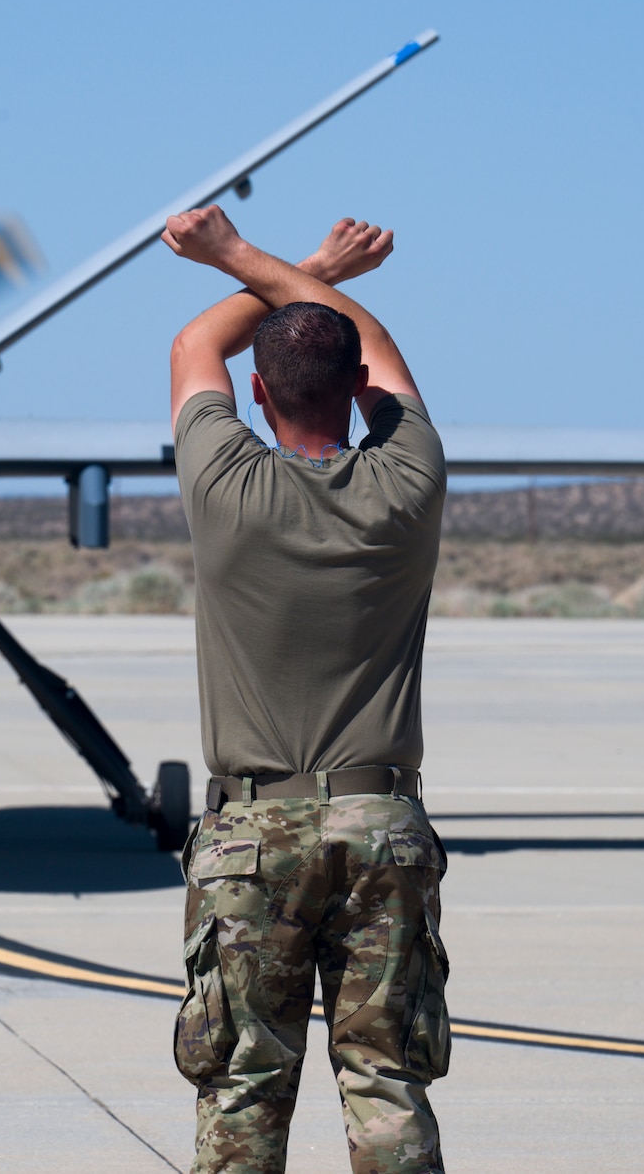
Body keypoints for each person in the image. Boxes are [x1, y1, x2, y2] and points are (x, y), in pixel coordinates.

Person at [162, 205, 450, 1174]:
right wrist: (302, 269)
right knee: (385, 1078)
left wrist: (260, 262)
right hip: (381, 822)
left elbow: (193, 338)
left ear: (253, 392)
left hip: (249, 836)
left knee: (242, 1081)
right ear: (361, 393)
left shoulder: (223, 485)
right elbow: (367, 340)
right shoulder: (407, 483)